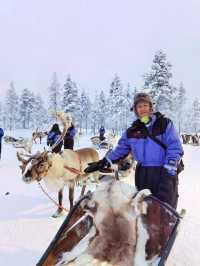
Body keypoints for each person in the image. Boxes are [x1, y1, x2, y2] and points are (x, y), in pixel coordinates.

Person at [85, 92, 183, 209]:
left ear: (151, 107)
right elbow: (120, 150)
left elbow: (174, 147)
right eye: (139, 106)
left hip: (164, 172)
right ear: (135, 110)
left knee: (165, 210)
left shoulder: (164, 124)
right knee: (143, 210)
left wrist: (169, 171)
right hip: (143, 174)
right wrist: (104, 161)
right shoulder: (132, 131)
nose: (143, 109)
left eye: (145, 105)